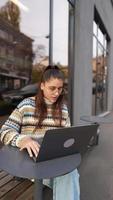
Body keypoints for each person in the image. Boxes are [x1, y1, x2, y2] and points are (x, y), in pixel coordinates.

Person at [0, 65, 80, 200]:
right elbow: (4, 131)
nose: (56, 93)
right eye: (52, 88)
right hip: (28, 161)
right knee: (69, 176)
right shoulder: (26, 105)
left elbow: (66, 136)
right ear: (42, 85)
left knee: (69, 174)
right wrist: (23, 140)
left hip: (52, 160)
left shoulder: (63, 109)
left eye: (60, 89)